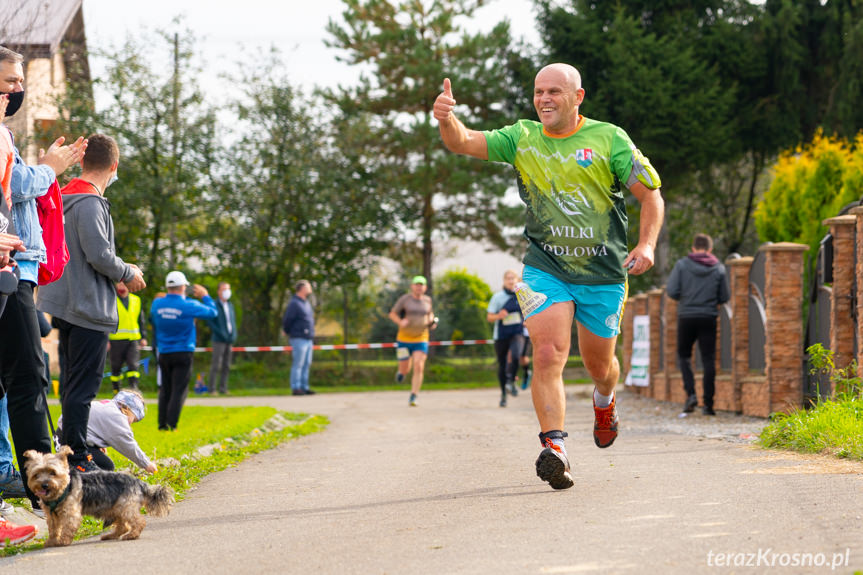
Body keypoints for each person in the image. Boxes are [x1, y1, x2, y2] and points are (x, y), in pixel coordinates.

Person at [433, 63, 664, 490]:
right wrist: (448, 118)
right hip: (544, 268)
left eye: (555, 91)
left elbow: (651, 196)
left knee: (600, 366)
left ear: (578, 97)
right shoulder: (522, 137)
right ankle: (555, 448)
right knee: (547, 353)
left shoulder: (609, 139)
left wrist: (646, 245)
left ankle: (605, 399)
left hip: (603, 272)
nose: (544, 99)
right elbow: (463, 142)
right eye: (539, 91)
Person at [0, 45, 87, 527]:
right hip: (8, 263)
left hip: (16, 262)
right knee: (27, 376)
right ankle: (48, 490)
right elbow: (13, 187)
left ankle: (33, 483)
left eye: (18, 80)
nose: (18, 88)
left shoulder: (4, 134)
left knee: (24, 375)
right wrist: (50, 169)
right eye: (10, 80)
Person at [38, 133, 146, 473]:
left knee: (71, 384)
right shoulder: (91, 202)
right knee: (83, 386)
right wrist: (129, 272)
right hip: (88, 307)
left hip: (61, 301)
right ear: (113, 166)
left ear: (82, 161)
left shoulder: (61, 195)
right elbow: (99, 254)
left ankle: (71, 447)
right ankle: (78, 456)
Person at [666, 233, 730, 416]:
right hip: (708, 317)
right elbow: (725, 296)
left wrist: (685, 298)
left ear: (693, 248)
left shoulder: (681, 265)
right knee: (709, 359)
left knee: (684, 356)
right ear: (710, 249)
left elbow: (671, 291)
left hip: (686, 316)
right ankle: (709, 404)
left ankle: (691, 395)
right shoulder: (718, 268)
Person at [149, 271, 217, 430]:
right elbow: (213, 312)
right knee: (178, 390)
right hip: (183, 351)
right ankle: (172, 424)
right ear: (183, 287)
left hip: (164, 352)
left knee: (165, 389)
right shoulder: (189, 305)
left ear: (167, 287)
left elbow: (155, 319)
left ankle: (161, 424)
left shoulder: (157, 304)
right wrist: (205, 296)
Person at [56, 390, 157, 474]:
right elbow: (128, 445)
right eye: (133, 419)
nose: (130, 424)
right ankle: (73, 471)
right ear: (126, 409)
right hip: (70, 442)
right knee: (106, 466)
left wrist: (96, 444)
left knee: (102, 462)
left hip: (61, 435)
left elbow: (94, 426)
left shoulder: (109, 405)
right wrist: (146, 464)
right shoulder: (117, 417)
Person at [389, 275, 437, 407]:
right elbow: (392, 313)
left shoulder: (428, 301)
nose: (419, 287)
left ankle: (414, 395)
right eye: (417, 284)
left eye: (421, 284)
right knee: (405, 368)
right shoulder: (405, 299)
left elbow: (430, 314)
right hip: (404, 339)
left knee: (418, 365)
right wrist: (400, 321)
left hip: (421, 338)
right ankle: (401, 373)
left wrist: (432, 321)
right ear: (412, 286)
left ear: (425, 287)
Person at [486, 269, 525, 407]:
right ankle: (503, 394)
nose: (510, 280)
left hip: (517, 333)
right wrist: (498, 316)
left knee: (515, 355)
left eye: (512, 278)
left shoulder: (523, 296)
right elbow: (489, 317)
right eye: (507, 278)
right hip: (501, 335)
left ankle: (511, 381)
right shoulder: (498, 297)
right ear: (504, 281)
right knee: (502, 364)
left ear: (517, 280)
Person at [108, 281, 147, 393]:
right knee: (116, 367)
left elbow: (141, 320)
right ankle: (116, 391)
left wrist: (143, 337)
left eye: (124, 284)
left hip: (133, 339)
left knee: (133, 365)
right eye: (119, 284)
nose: (122, 287)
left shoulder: (136, 300)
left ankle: (133, 389)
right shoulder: (111, 300)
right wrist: (106, 339)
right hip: (116, 339)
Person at [282, 280, 315, 396]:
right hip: (298, 337)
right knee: (298, 363)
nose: (310, 289)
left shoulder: (306, 302)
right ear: (302, 288)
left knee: (307, 363)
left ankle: (304, 386)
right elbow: (287, 319)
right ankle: (296, 387)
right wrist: (286, 331)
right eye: (308, 286)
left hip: (308, 338)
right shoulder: (294, 303)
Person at [207, 281, 237, 395]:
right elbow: (211, 322)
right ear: (219, 291)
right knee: (216, 365)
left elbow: (232, 322)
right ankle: (212, 389)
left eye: (228, 289)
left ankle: (223, 388)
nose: (226, 292)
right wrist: (221, 333)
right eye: (224, 289)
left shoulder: (230, 305)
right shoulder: (214, 305)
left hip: (229, 340)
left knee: (227, 365)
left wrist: (233, 335)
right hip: (218, 340)